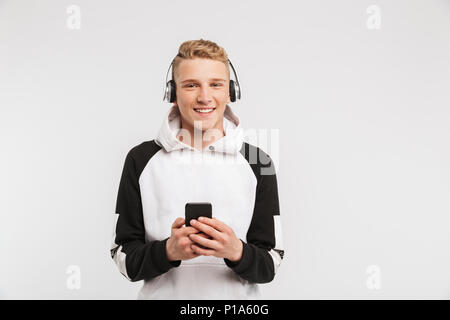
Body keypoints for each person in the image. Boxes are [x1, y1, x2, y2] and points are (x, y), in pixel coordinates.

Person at [110, 39, 284, 299]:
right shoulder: (140, 158)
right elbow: (123, 256)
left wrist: (236, 251)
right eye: (191, 85)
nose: (204, 96)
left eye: (216, 84)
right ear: (173, 93)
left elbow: (271, 263)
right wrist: (168, 252)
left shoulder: (259, 162)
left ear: (230, 92)